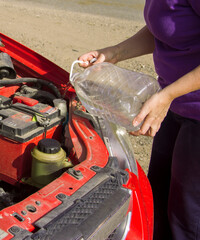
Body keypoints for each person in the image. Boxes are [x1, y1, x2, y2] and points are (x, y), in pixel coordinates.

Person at [78, 0, 200, 239]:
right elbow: (165, 28)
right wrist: (115, 53)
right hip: (175, 104)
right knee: (159, 196)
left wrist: (167, 95)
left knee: (187, 215)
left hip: (192, 109)